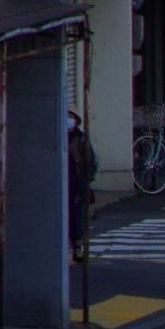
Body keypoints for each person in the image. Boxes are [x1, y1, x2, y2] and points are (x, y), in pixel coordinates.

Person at [65, 111, 96, 261]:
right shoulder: (58, 136)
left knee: (76, 216)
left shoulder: (82, 139)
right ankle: (67, 246)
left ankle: (77, 247)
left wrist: (86, 180)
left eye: (71, 117)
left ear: (76, 120)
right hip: (63, 183)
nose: (68, 120)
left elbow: (91, 161)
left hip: (77, 182)